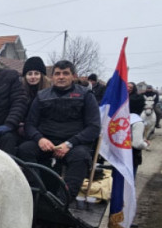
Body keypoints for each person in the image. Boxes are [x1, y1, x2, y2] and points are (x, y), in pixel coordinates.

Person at [17, 60, 101, 204]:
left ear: (73, 76)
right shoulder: (42, 96)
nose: (61, 77)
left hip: (75, 144)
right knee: (24, 150)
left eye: (65, 73)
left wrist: (69, 144)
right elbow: (30, 124)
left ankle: (62, 201)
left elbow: (93, 127)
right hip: (46, 141)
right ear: (52, 76)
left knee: (81, 158)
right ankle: (38, 194)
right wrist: (39, 139)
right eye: (57, 74)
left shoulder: (86, 96)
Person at [20, 56, 50, 138]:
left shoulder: (50, 93)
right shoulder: (19, 91)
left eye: (36, 73)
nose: (33, 77)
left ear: (42, 75)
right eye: (29, 74)